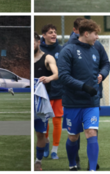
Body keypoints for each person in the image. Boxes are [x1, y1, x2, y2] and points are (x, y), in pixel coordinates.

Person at [63, 17, 110, 170]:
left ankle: (91, 170)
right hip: (73, 102)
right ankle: (71, 164)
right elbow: (64, 76)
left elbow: (106, 64)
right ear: (86, 33)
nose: (97, 37)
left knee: (91, 132)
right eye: (95, 34)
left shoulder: (96, 48)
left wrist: (102, 74)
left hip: (92, 101)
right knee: (73, 137)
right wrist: (84, 87)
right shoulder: (68, 50)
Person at [34, 32, 59, 171]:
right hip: (27, 103)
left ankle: (38, 161)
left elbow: (56, 73)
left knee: (40, 134)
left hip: (40, 103)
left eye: (32, 42)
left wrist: (49, 78)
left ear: (38, 42)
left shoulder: (47, 58)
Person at [39, 24, 63, 160]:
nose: (53, 34)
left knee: (57, 121)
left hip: (58, 90)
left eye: (55, 32)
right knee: (45, 120)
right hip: (44, 92)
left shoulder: (62, 49)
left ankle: (55, 150)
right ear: (44, 36)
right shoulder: (39, 50)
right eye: (50, 32)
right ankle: (46, 143)